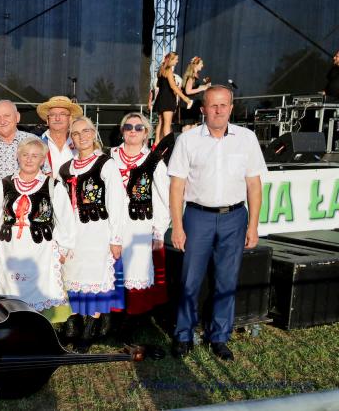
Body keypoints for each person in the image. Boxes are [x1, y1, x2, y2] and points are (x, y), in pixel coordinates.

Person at [168, 85, 266, 361]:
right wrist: (177, 226)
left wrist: (253, 225)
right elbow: (177, 187)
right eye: (213, 105)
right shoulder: (187, 141)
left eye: (224, 105)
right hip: (197, 217)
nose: (218, 110)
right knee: (190, 279)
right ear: (203, 109)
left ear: (231, 108)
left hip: (234, 218)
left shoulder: (247, 139)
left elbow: (254, 185)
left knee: (227, 280)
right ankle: (183, 335)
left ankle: (220, 337)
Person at [0, 137, 75, 322]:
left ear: (42, 160)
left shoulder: (53, 186)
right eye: (25, 155)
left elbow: (66, 220)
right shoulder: (4, 185)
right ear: (18, 157)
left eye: (35, 156)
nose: (29, 159)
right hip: (10, 249)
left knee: (39, 292)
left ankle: (39, 328)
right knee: (10, 291)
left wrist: (62, 249)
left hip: (41, 250)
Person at [57, 116, 127, 353]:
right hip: (72, 231)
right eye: (76, 133)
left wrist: (115, 238)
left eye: (86, 131)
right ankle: (73, 324)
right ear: (71, 139)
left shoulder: (105, 164)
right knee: (72, 275)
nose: (82, 137)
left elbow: (116, 202)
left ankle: (89, 329)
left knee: (95, 277)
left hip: (97, 230)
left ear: (94, 132)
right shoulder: (65, 169)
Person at [110, 113, 170, 341]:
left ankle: (131, 324)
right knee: (112, 272)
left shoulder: (154, 161)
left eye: (139, 127)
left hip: (140, 226)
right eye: (128, 126)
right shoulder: (109, 157)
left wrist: (159, 231)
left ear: (146, 133)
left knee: (136, 272)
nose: (133, 131)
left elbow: (163, 199)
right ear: (122, 131)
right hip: (112, 225)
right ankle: (112, 320)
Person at [35, 96, 82, 180]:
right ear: (47, 120)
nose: (57, 118)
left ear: (70, 119)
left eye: (62, 114)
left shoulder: (80, 144)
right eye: (53, 115)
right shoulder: (36, 143)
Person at [153, 52, 193, 143]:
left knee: (161, 122)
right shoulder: (168, 70)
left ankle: (156, 144)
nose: (177, 61)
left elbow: (159, 85)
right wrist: (185, 98)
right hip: (167, 99)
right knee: (167, 124)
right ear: (171, 59)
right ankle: (168, 144)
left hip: (160, 99)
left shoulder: (161, 70)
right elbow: (173, 86)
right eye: (176, 59)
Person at [182, 56, 211, 131]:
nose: (202, 65)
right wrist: (201, 88)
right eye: (201, 64)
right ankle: (184, 139)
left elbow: (195, 87)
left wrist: (205, 86)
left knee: (194, 125)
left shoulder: (195, 75)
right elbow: (188, 91)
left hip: (194, 103)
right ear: (196, 65)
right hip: (190, 103)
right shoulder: (191, 76)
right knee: (188, 125)